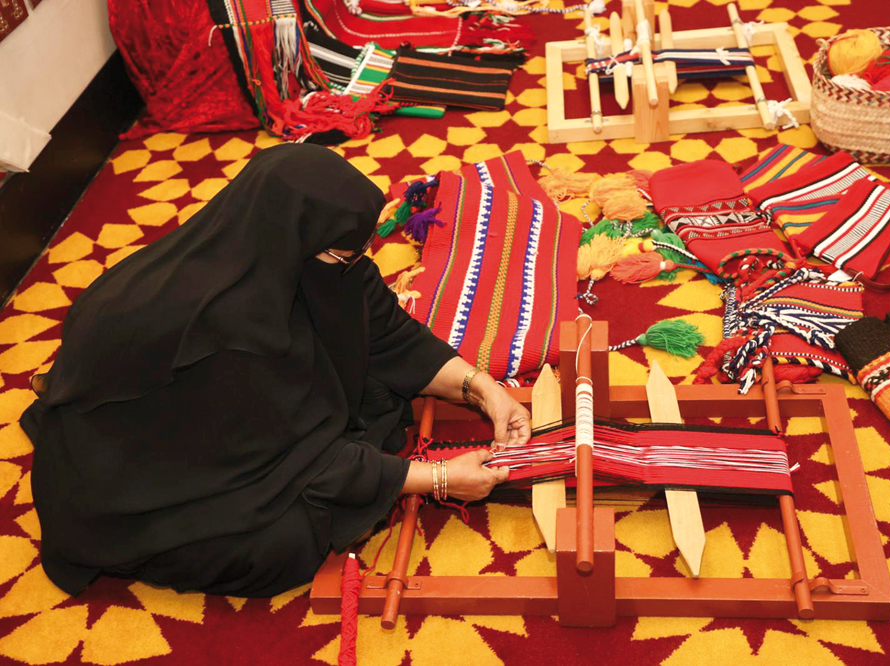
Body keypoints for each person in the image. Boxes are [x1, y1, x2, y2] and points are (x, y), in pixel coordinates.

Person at [20, 144, 531, 598]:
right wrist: (438, 478)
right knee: (284, 544)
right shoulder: (229, 336)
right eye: (343, 254)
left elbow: (388, 331)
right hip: (145, 468)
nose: (357, 263)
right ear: (293, 240)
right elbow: (301, 460)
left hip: (233, 418)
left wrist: (483, 389)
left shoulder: (302, 256)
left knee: (374, 401)